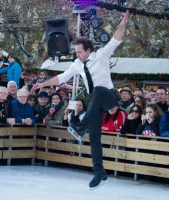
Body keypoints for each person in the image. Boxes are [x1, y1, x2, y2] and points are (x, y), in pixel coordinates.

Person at [32, 10, 129, 189]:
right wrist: (42, 85)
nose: (77, 55)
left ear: (88, 50)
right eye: (75, 52)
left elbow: (116, 38)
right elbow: (61, 78)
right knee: (94, 138)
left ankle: (80, 128)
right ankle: (99, 173)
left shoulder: (101, 55)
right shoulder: (76, 64)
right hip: (95, 103)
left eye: (79, 52)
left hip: (108, 96)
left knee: (98, 90)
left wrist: (123, 23)